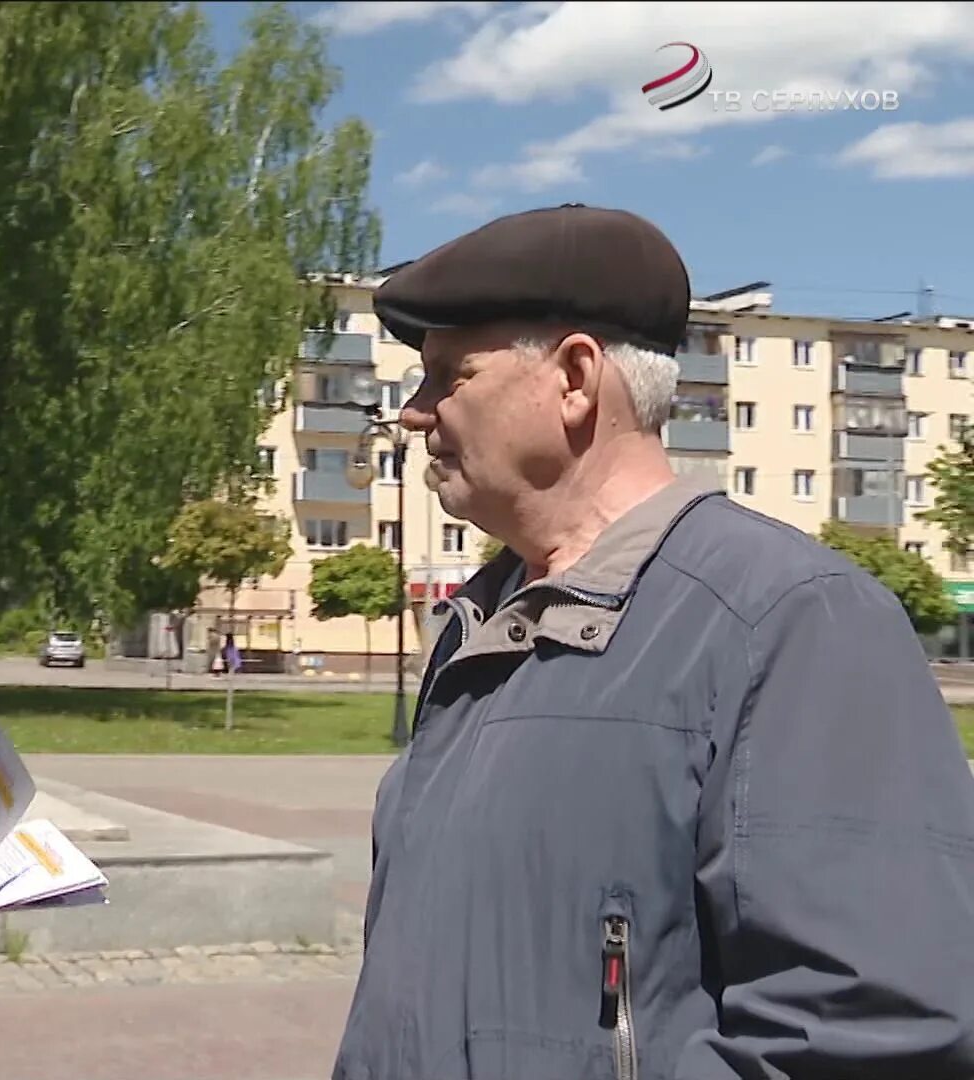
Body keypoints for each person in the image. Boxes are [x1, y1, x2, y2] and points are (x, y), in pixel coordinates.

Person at [330, 203, 974, 1079]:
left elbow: (865, 1035)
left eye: (449, 375)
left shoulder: (793, 620)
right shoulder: (482, 625)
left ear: (575, 379)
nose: (414, 413)